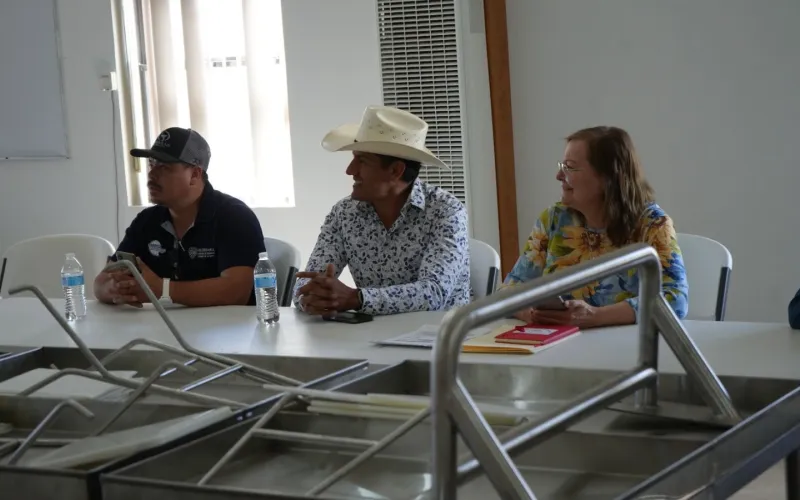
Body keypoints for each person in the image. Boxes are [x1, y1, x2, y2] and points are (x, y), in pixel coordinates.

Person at [293, 105, 470, 316]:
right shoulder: (343, 213)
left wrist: (356, 298)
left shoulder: (446, 211)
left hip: (441, 333)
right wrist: (311, 297)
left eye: (362, 161)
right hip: (370, 333)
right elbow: (307, 281)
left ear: (395, 170)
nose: (350, 170)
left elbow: (433, 293)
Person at [503, 126, 688, 328]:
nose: (559, 175)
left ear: (607, 177)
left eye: (570, 167)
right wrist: (530, 312)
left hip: (623, 344)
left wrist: (595, 316)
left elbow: (676, 299)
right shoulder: (553, 219)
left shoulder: (653, 225)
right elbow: (510, 288)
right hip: (556, 342)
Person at [94, 127, 266, 307]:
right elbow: (100, 282)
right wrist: (114, 288)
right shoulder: (147, 220)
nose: (151, 174)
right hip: (165, 323)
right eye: (152, 164)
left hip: (228, 325)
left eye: (164, 167)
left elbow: (237, 293)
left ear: (194, 175)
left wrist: (163, 290)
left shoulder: (234, 216)